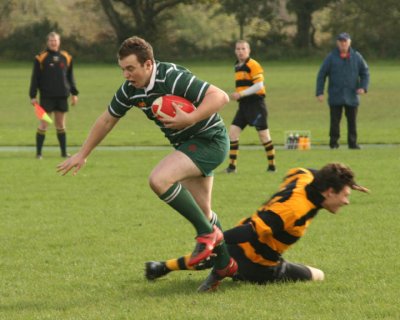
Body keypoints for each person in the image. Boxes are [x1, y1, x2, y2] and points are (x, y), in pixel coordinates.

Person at [57, 36, 237, 291]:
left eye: (130, 68)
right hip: (187, 146)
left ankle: (207, 236)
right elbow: (107, 119)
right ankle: (224, 265)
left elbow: (220, 97)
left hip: (211, 141)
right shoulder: (130, 90)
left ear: (149, 64)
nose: (126, 75)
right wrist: (83, 153)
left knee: (160, 179)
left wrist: (191, 118)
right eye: (122, 69)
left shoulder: (171, 77)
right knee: (204, 212)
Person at [145, 163, 369, 291]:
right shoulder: (295, 210)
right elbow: (252, 231)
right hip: (259, 266)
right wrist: (216, 237)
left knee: (217, 254)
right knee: (318, 275)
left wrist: (347, 182)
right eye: (345, 195)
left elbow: (308, 171)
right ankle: (231, 268)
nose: (346, 201)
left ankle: (162, 266)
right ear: (329, 191)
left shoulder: (304, 178)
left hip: (238, 246)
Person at [224, 40, 276, 173]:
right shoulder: (237, 65)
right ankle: (232, 167)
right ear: (235, 51)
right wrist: (241, 96)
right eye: (238, 49)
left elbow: (259, 86)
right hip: (243, 106)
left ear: (249, 50)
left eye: (243, 49)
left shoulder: (253, 65)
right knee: (233, 133)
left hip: (256, 105)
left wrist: (241, 94)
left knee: (264, 136)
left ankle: (272, 167)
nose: (240, 51)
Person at [29, 31, 79, 159]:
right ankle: (39, 153)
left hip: (62, 96)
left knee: (61, 125)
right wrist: (33, 96)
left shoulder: (66, 57)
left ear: (59, 42)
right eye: (51, 41)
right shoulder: (40, 57)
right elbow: (35, 78)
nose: (53, 42)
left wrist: (74, 93)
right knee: (44, 124)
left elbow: (70, 77)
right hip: (46, 97)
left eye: (55, 40)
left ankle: (63, 153)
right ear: (48, 42)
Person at [316, 32, 370, 150]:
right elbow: (322, 75)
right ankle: (334, 143)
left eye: (345, 41)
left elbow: (365, 73)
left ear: (349, 42)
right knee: (335, 121)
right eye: (341, 41)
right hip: (336, 95)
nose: (343, 44)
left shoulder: (357, 56)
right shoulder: (331, 57)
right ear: (337, 43)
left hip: (352, 95)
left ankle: (353, 143)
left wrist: (363, 87)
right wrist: (319, 92)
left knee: (352, 121)